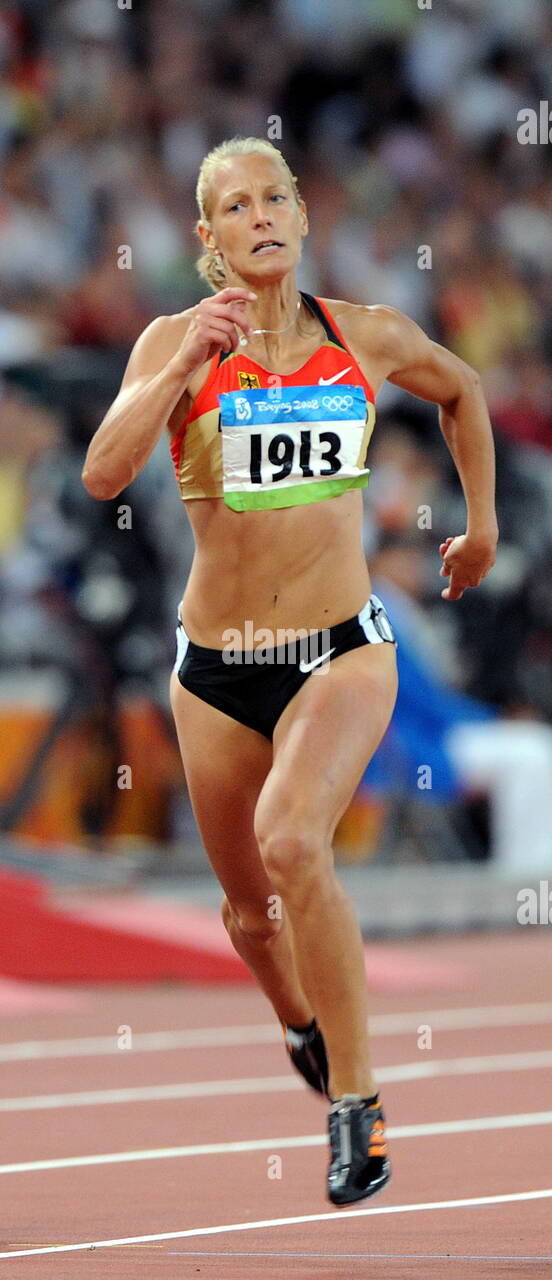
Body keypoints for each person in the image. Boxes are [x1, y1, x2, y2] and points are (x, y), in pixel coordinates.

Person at [83, 137, 498, 1206]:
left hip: (340, 651)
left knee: (291, 840)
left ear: (304, 215)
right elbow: (100, 473)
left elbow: (462, 392)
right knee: (249, 915)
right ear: (208, 239)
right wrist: (180, 370)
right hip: (217, 669)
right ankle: (300, 1022)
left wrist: (482, 526)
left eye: (275, 197)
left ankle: (357, 1105)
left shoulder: (362, 335)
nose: (260, 215)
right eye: (235, 205)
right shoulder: (175, 343)